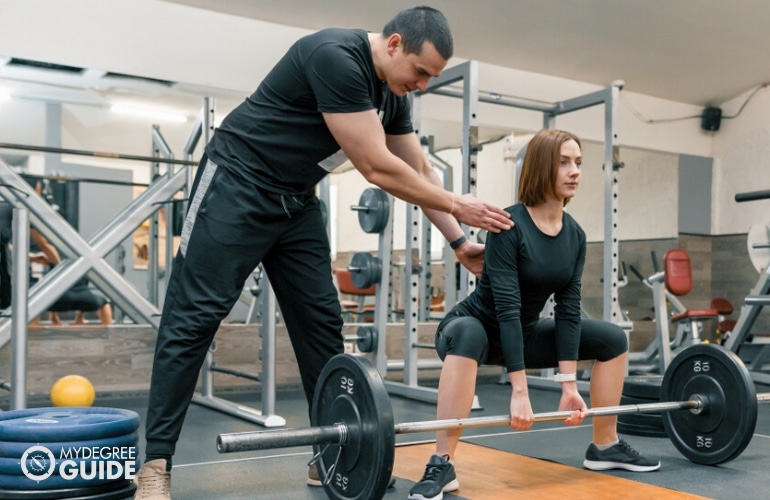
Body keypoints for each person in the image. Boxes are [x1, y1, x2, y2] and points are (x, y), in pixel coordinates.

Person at [133, 6, 513, 499]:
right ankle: (156, 465)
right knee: (193, 320)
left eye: (430, 78)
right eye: (420, 72)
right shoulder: (335, 56)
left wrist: (458, 240)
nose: (421, 85)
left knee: (321, 327)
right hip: (237, 185)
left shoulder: (392, 93)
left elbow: (417, 169)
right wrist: (460, 205)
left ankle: (328, 456)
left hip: (295, 202)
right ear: (394, 43)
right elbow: (377, 168)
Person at [408, 129, 660, 500]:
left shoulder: (574, 235)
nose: (574, 171)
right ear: (542, 167)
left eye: (578, 163)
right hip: (474, 326)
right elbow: (507, 308)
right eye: (563, 162)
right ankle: (442, 462)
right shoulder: (508, 225)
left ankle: (605, 446)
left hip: (523, 333)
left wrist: (569, 386)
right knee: (470, 334)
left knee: (612, 339)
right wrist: (519, 391)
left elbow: (568, 311)